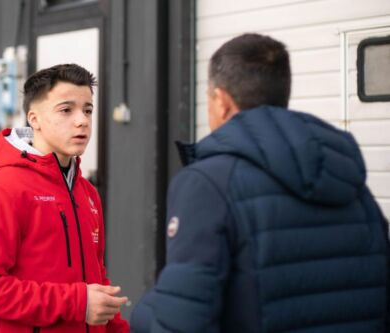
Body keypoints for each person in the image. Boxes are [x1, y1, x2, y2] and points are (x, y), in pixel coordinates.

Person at [131, 33, 390, 332]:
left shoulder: (207, 184)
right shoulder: (351, 181)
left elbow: (182, 323)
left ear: (221, 101)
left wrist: (145, 312)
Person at [0, 64, 130, 333]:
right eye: (66, 110)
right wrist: (76, 303)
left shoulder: (88, 193)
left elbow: (95, 275)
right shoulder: (0, 189)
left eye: (87, 110)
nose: (82, 120)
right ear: (34, 119)